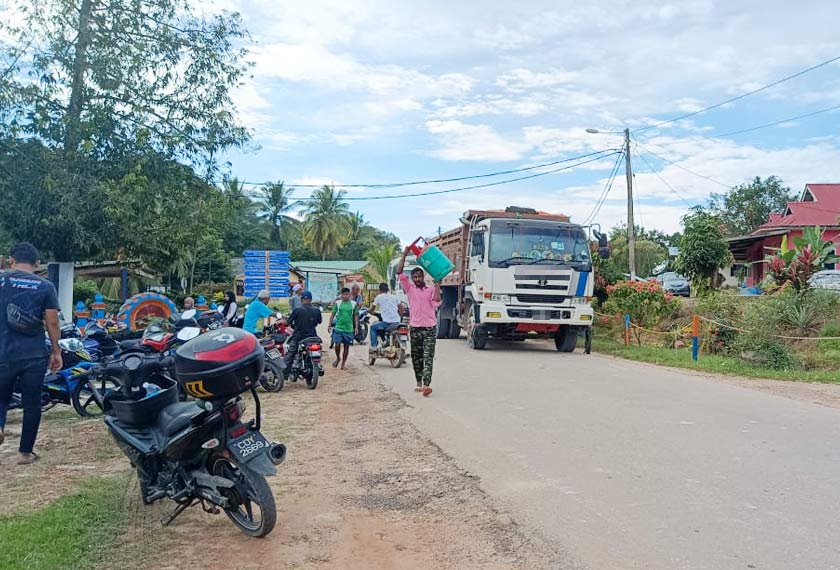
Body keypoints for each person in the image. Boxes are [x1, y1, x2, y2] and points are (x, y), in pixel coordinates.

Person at [0, 243, 63, 465]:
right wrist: (56, 351)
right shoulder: (45, 286)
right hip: (33, 355)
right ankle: (25, 453)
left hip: (2, 353)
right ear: (37, 264)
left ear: (11, 261)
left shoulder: (1, 280)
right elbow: (52, 322)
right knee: (32, 403)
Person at [397, 247, 441, 397]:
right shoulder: (409, 289)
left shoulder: (430, 289)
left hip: (429, 328)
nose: (417, 279)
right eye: (414, 277)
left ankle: (427, 385)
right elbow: (399, 272)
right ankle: (418, 382)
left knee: (428, 356)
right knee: (417, 356)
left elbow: (436, 302)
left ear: (423, 276)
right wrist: (404, 254)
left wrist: (438, 285)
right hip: (415, 327)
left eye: (419, 277)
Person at [284, 291, 322, 378]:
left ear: (301, 300)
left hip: (299, 337)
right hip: (313, 337)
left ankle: (284, 375)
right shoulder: (316, 310)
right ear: (311, 299)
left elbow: (288, 322)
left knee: (290, 354)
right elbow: (319, 321)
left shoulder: (297, 310)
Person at [328, 287, 358, 370]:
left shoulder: (353, 304)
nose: (345, 296)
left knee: (346, 347)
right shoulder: (337, 303)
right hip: (338, 328)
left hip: (349, 329)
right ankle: (338, 358)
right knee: (337, 344)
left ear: (350, 295)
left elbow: (355, 316)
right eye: (344, 294)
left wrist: (356, 327)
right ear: (341, 295)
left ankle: (343, 364)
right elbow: (332, 314)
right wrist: (329, 324)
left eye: (347, 294)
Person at [369, 282, 401, 349]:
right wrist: (400, 315)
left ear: (379, 290)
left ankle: (374, 347)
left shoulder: (379, 297)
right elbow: (401, 308)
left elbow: (371, 309)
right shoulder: (395, 297)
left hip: (386, 323)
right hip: (397, 322)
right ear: (388, 289)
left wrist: (372, 312)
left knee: (373, 327)